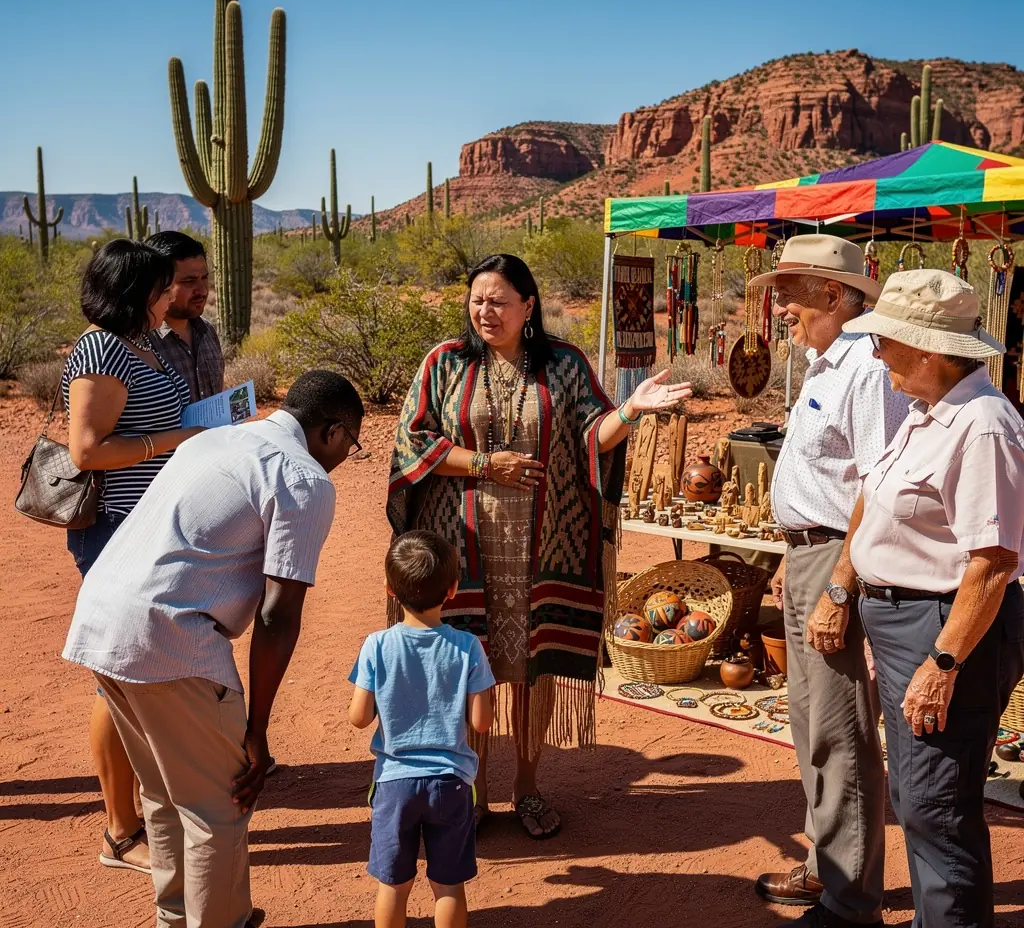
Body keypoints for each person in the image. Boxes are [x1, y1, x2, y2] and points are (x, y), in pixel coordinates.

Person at [388, 254, 690, 839]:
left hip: (545, 546)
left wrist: (629, 411)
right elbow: (411, 440)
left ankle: (526, 787)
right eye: (477, 299)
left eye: (498, 300)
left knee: (534, 670)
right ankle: (470, 794)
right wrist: (483, 463)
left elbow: (589, 437)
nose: (484, 311)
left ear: (528, 307)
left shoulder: (566, 364)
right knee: (465, 667)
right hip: (463, 546)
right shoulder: (444, 363)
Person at [62, 370, 364, 928]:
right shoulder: (301, 477)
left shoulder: (216, 438)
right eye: (351, 444)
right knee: (218, 808)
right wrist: (257, 731)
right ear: (333, 430)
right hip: (170, 639)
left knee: (164, 795)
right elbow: (278, 615)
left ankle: (176, 918)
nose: (346, 456)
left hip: (102, 620)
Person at [831, 269, 1024, 928]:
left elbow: (993, 563)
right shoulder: (927, 412)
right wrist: (848, 583)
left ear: (931, 350)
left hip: (943, 630)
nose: (876, 352)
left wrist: (942, 667)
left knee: (935, 808)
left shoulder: (984, 424)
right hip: (910, 622)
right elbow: (877, 499)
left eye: (885, 340)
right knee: (920, 798)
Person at [747, 235, 909, 928]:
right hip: (810, 554)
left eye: (790, 292)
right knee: (812, 724)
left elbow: (880, 484)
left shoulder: (864, 370)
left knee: (841, 732)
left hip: (840, 560)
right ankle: (827, 866)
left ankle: (850, 905)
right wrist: (795, 558)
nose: (779, 306)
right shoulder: (824, 364)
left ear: (835, 295)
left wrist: (841, 585)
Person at [64, 238, 201, 874]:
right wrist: (177, 438)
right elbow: (87, 451)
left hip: (146, 526)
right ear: (133, 291)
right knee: (115, 674)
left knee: (134, 669)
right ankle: (120, 831)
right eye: (159, 286)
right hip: (114, 529)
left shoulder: (143, 344)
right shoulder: (100, 348)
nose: (170, 295)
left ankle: (139, 814)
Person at [349, 530, 496, 928]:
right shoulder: (468, 647)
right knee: (448, 886)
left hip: (394, 784)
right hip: (451, 783)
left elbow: (359, 716)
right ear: (452, 590)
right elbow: (482, 722)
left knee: (394, 886)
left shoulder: (376, 645)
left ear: (388, 589)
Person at [146, 231, 225, 402]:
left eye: (204, 278)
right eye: (189, 281)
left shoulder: (207, 332)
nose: (202, 290)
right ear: (158, 284)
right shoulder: (138, 343)